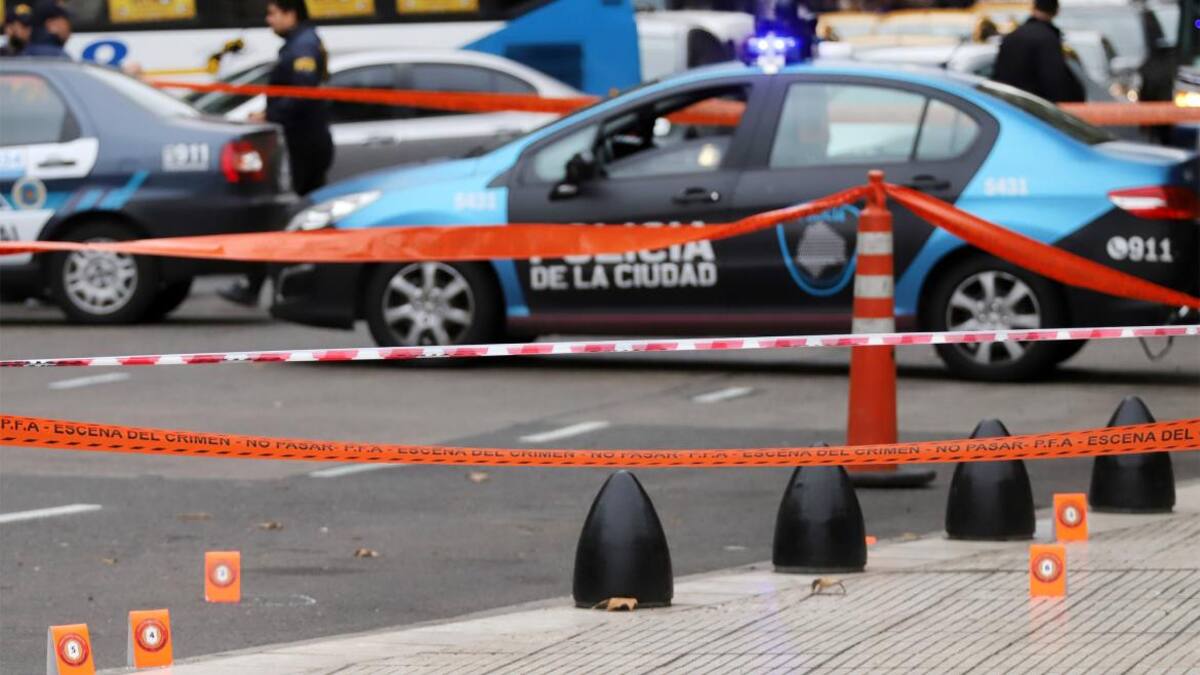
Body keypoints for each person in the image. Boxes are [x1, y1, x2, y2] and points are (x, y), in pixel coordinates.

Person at [221, 0, 334, 307]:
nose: (268, 20)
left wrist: (272, 115)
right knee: (311, 216)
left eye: (272, 13)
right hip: (307, 141)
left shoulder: (303, 46)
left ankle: (256, 283)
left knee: (282, 214)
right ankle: (315, 284)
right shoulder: (300, 43)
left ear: (290, 13)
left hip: (303, 145)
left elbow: (302, 94)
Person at [992, 0, 1084, 103]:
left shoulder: (1011, 36)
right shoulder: (1048, 39)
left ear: (1033, 8)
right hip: (1035, 107)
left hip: (1007, 105)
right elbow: (1055, 80)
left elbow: (998, 76)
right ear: (1056, 11)